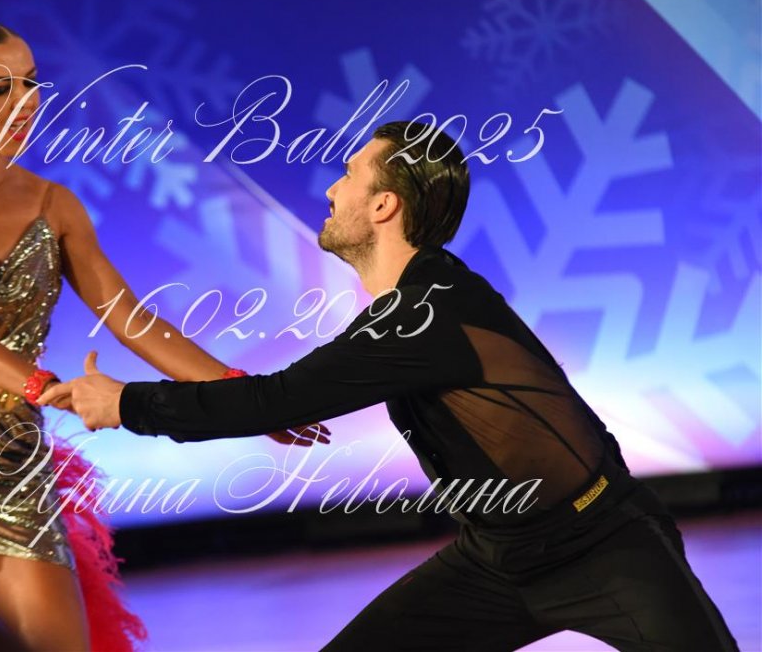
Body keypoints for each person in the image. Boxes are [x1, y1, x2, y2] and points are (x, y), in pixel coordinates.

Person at [42, 122, 741, 651]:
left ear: (383, 206)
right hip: (496, 560)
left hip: (603, 547)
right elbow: (278, 398)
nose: (330, 190)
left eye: (348, 174)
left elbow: (274, 400)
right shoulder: (413, 306)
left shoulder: (426, 313)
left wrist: (125, 403)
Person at [0, 16, 327, 652]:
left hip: (5, 456)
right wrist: (45, 387)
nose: (24, 102)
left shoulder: (53, 203)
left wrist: (245, 397)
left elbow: (131, 318)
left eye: (31, 83)